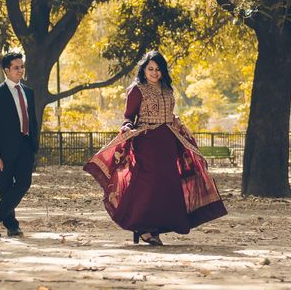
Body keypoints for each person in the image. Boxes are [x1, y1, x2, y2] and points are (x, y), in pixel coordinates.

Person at [84, 51, 227, 245]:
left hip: (168, 141)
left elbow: (170, 114)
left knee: (167, 182)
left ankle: (157, 226)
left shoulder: (168, 88)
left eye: (158, 69)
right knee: (148, 181)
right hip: (146, 140)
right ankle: (142, 226)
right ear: (143, 70)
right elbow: (129, 116)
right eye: (150, 69)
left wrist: (180, 125)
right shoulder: (137, 89)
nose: (154, 73)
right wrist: (127, 126)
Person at [0, 52, 39, 238]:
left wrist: (34, 144)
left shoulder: (28, 92)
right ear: (7, 70)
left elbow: (33, 120)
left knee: (24, 183)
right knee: (6, 188)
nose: (20, 70)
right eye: (16, 67)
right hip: (4, 150)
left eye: (22, 67)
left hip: (26, 146)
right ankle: (12, 226)